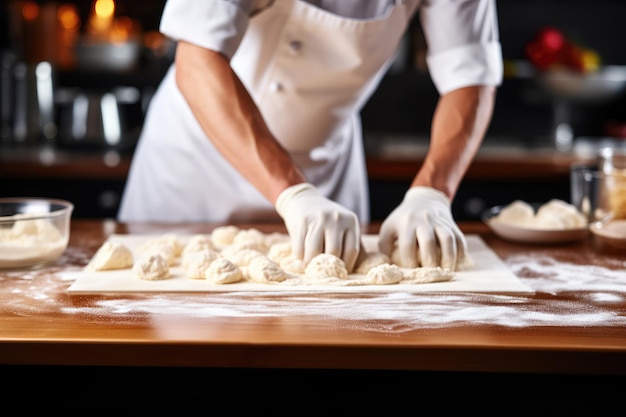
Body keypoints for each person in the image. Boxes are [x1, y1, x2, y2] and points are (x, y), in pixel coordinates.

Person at [118, 0, 503, 273]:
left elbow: (471, 75)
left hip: (326, 165)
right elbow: (197, 59)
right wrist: (293, 193)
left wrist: (432, 192)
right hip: (200, 162)